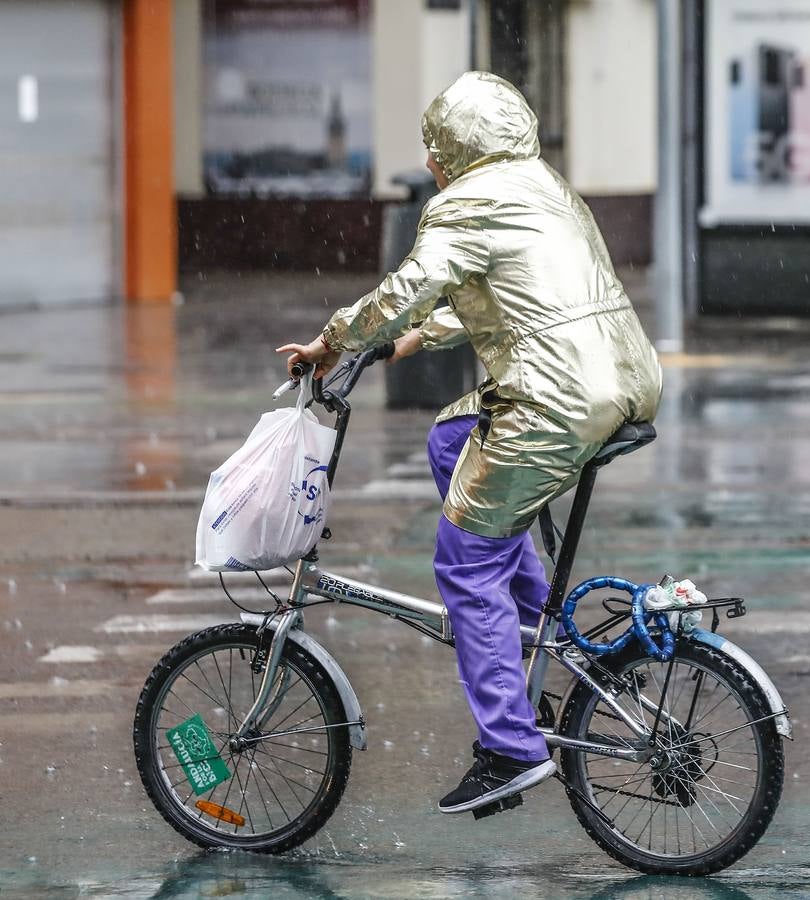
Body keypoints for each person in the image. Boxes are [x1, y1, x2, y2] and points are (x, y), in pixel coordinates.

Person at [278, 71, 661, 815]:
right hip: (615, 378)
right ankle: (527, 630)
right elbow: (510, 297)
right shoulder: (543, 187)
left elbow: (410, 285)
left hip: (553, 398)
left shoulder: (466, 202)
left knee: (462, 562)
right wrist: (403, 346)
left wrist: (332, 341)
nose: (429, 164)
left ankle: (509, 749)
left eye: (436, 146)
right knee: (453, 437)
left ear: (459, 147)